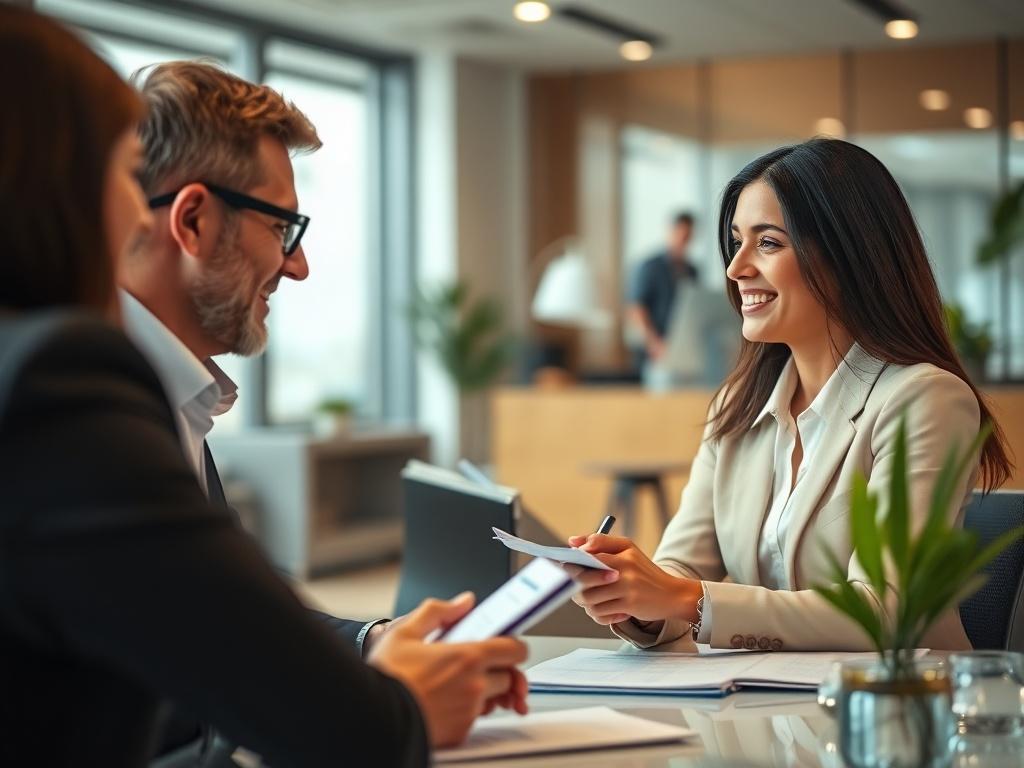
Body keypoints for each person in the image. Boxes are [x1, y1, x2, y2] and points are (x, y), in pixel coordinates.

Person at [0, 9, 526, 767]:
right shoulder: (65, 390)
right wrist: (401, 706)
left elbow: (198, 615)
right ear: (191, 221)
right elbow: (349, 734)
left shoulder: (145, 389)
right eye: (284, 228)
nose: (299, 266)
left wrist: (371, 645)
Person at [570, 138, 1012, 652]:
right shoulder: (737, 408)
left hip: (890, 713)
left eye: (768, 243)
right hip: (770, 713)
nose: (736, 269)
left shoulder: (924, 401)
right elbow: (682, 567)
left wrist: (685, 598)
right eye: (736, 242)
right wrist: (636, 599)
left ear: (849, 256)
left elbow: (888, 607)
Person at [627, 211, 699, 370]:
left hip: (680, 348)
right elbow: (636, 309)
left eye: (687, 236)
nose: (683, 241)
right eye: (680, 235)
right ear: (670, 232)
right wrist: (654, 344)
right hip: (651, 351)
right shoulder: (650, 267)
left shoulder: (692, 271)